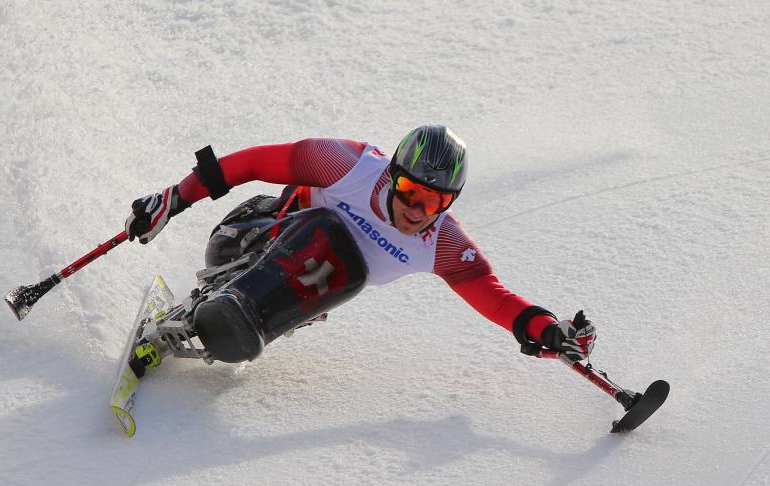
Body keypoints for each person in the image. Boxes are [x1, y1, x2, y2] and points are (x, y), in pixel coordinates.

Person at [122, 125, 596, 373]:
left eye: (433, 201)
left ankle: (228, 324)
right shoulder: (344, 164)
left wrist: (546, 328)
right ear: (392, 173)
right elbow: (253, 164)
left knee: (340, 267)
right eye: (410, 188)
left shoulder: (442, 243)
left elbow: (490, 292)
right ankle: (195, 318)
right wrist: (175, 198)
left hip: (298, 294)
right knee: (326, 231)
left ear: (448, 203)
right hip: (245, 238)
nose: (416, 208)